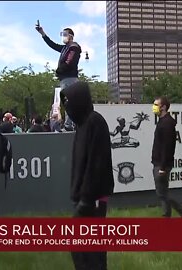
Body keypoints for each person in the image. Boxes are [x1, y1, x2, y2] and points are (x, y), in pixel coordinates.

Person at [60, 81, 114, 270]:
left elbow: (97, 164)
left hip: (93, 198)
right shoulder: (83, 124)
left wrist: (86, 199)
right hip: (85, 197)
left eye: (69, 101)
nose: (67, 106)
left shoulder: (94, 122)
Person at [151, 97, 182, 218]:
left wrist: (162, 166)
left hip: (162, 164)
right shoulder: (163, 121)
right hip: (159, 162)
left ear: (163, 107)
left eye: (155, 104)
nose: (153, 107)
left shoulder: (167, 123)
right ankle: (167, 216)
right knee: (163, 192)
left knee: (162, 193)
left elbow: (167, 147)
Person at [35, 25, 81, 131]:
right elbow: (53, 45)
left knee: (69, 101)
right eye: (62, 35)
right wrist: (43, 33)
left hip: (69, 78)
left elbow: (69, 62)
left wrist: (59, 70)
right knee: (67, 101)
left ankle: (69, 125)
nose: (63, 37)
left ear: (71, 36)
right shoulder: (65, 48)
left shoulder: (73, 47)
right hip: (65, 79)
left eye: (65, 35)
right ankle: (70, 124)